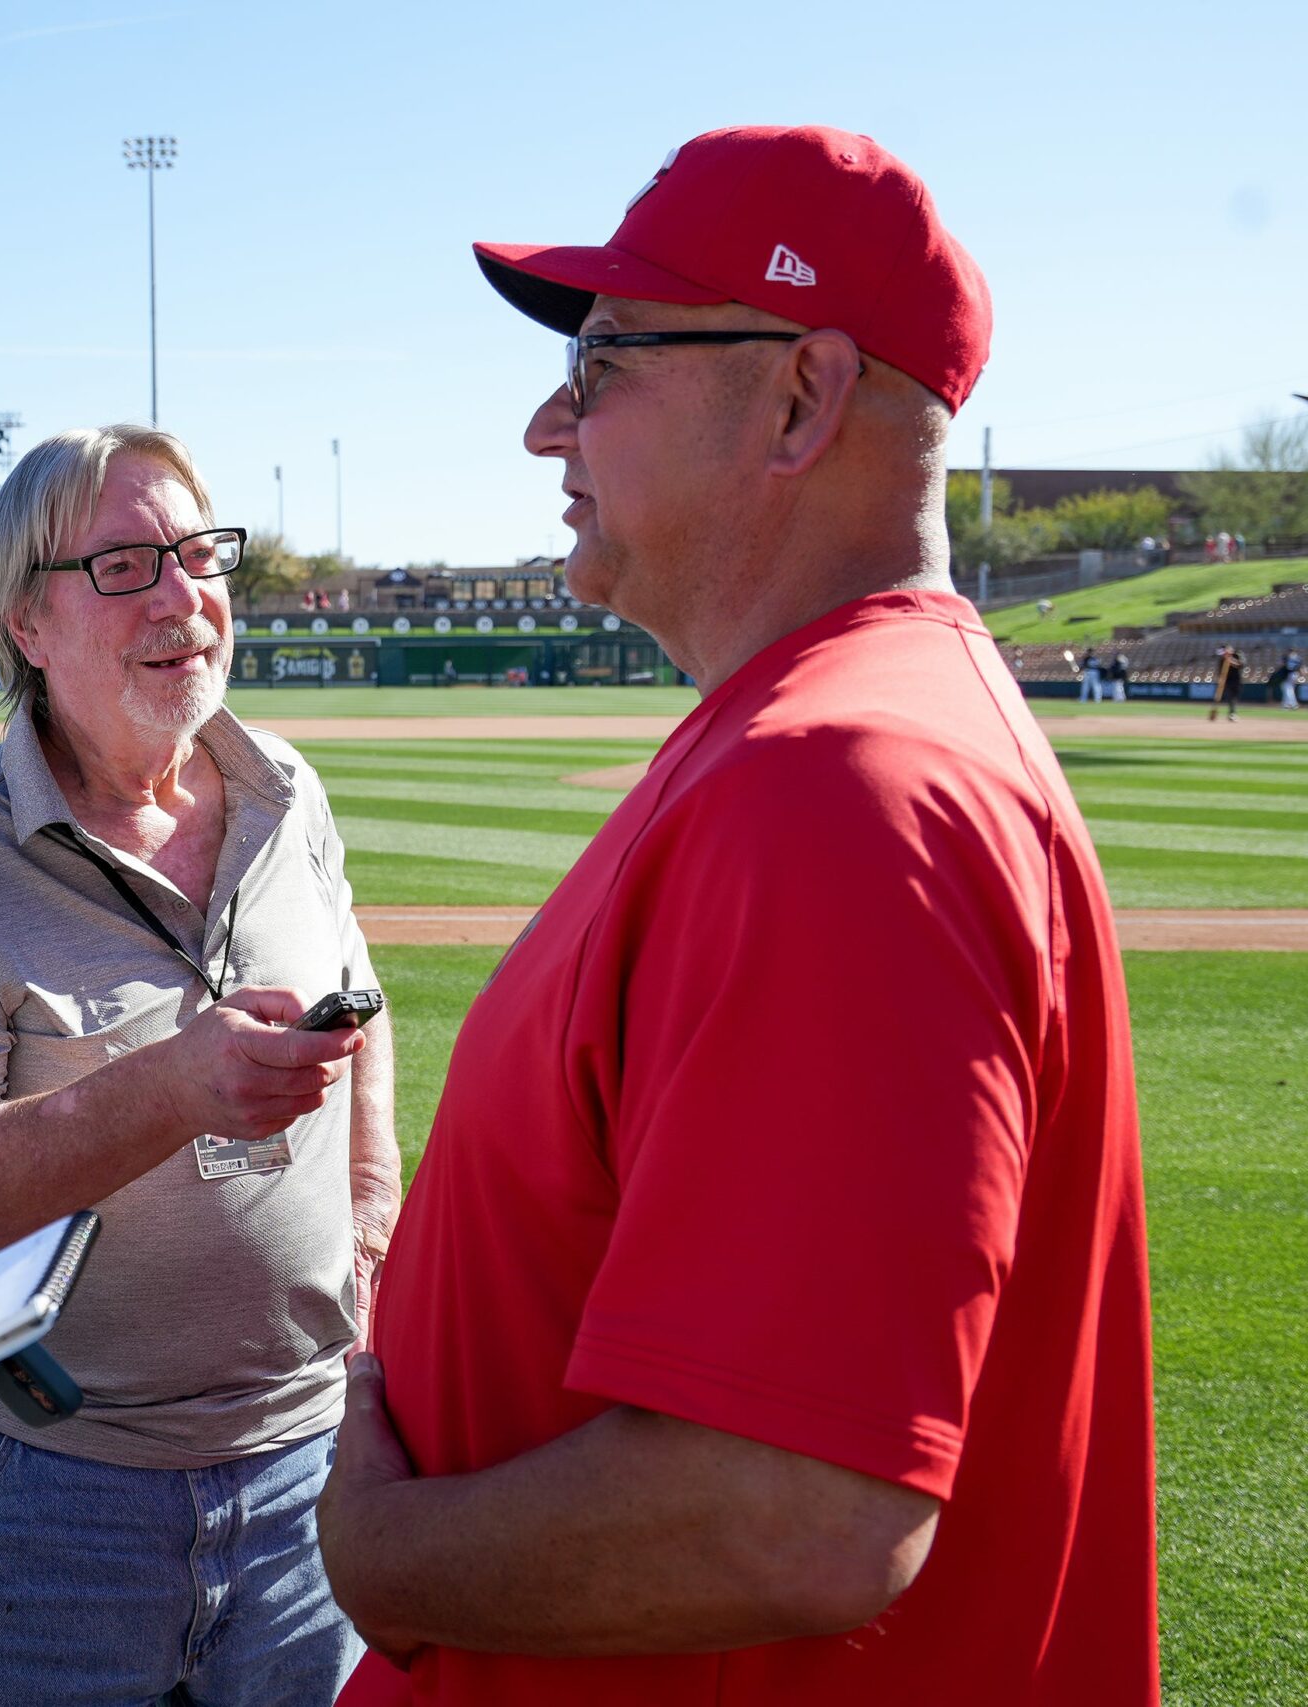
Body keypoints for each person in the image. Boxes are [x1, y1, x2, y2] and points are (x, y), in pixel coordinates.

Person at [320, 125, 1155, 1705]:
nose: (544, 420)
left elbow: (795, 1514)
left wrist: (383, 1554)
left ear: (802, 395)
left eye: (608, 357)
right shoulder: (822, 735)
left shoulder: (847, 782)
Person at [0, 425, 398, 1704]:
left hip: (301, 1473)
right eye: (123, 565)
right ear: (26, 624)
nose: (178, 595)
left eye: (196, 553)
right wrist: (172, 1085)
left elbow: (363, 1019)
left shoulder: (284, 794)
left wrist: (369, 1224)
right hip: (38, 1498)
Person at [1210, 644, 1244, 721]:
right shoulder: (1221, 660)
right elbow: (1220, 672)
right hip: (1227, 681)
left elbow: (1241, 665)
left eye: (1223, 653)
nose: (1222, 655)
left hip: (1236, 680)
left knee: (1234, 697)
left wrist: (1230, 660)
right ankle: (1232, 714)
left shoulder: (1237, 654)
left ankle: (1232, 713)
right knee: (1230, 697)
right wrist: (1220, 679)